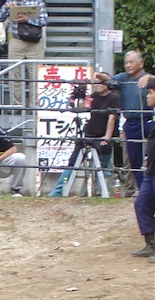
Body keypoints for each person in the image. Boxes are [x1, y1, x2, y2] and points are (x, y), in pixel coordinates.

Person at [48, 73, 121, 197]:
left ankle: (105, 171)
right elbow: (81, 107)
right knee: (73, 160)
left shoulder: (114, 97)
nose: (97, 85)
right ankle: (58, 189)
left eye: (100, 82)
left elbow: (112, 118)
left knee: (105, 149)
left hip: (104, 133)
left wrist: (107, 137)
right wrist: (79, 99)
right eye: (95, 82)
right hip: (90, 131)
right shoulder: (94, 96)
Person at [112, 51, 154, 195]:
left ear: (141, 63)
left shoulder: (148, 78)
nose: (128, 65)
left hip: (148, 120)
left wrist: (150, 77)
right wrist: (99, 75)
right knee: (133, 157)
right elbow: (108, 80)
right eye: (126, 62)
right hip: (130, 121)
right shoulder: (123, 78)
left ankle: (148, 187)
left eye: (131, 62)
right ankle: (141, 189)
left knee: (150, 153)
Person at [0, 0, 48, 107]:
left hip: (35, 43)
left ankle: (35, 107)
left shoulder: (37, 2)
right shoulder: (11, 1)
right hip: (16, 40)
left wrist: (28, 19)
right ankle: (16, 106)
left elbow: (44, 21)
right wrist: (6, 8)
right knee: (14, 75)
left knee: (36, 76)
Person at [130, 78, 155, 261]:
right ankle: (151, 243)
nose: (147, 96)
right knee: (141, 203)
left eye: (151, 93)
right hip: (151, 168)